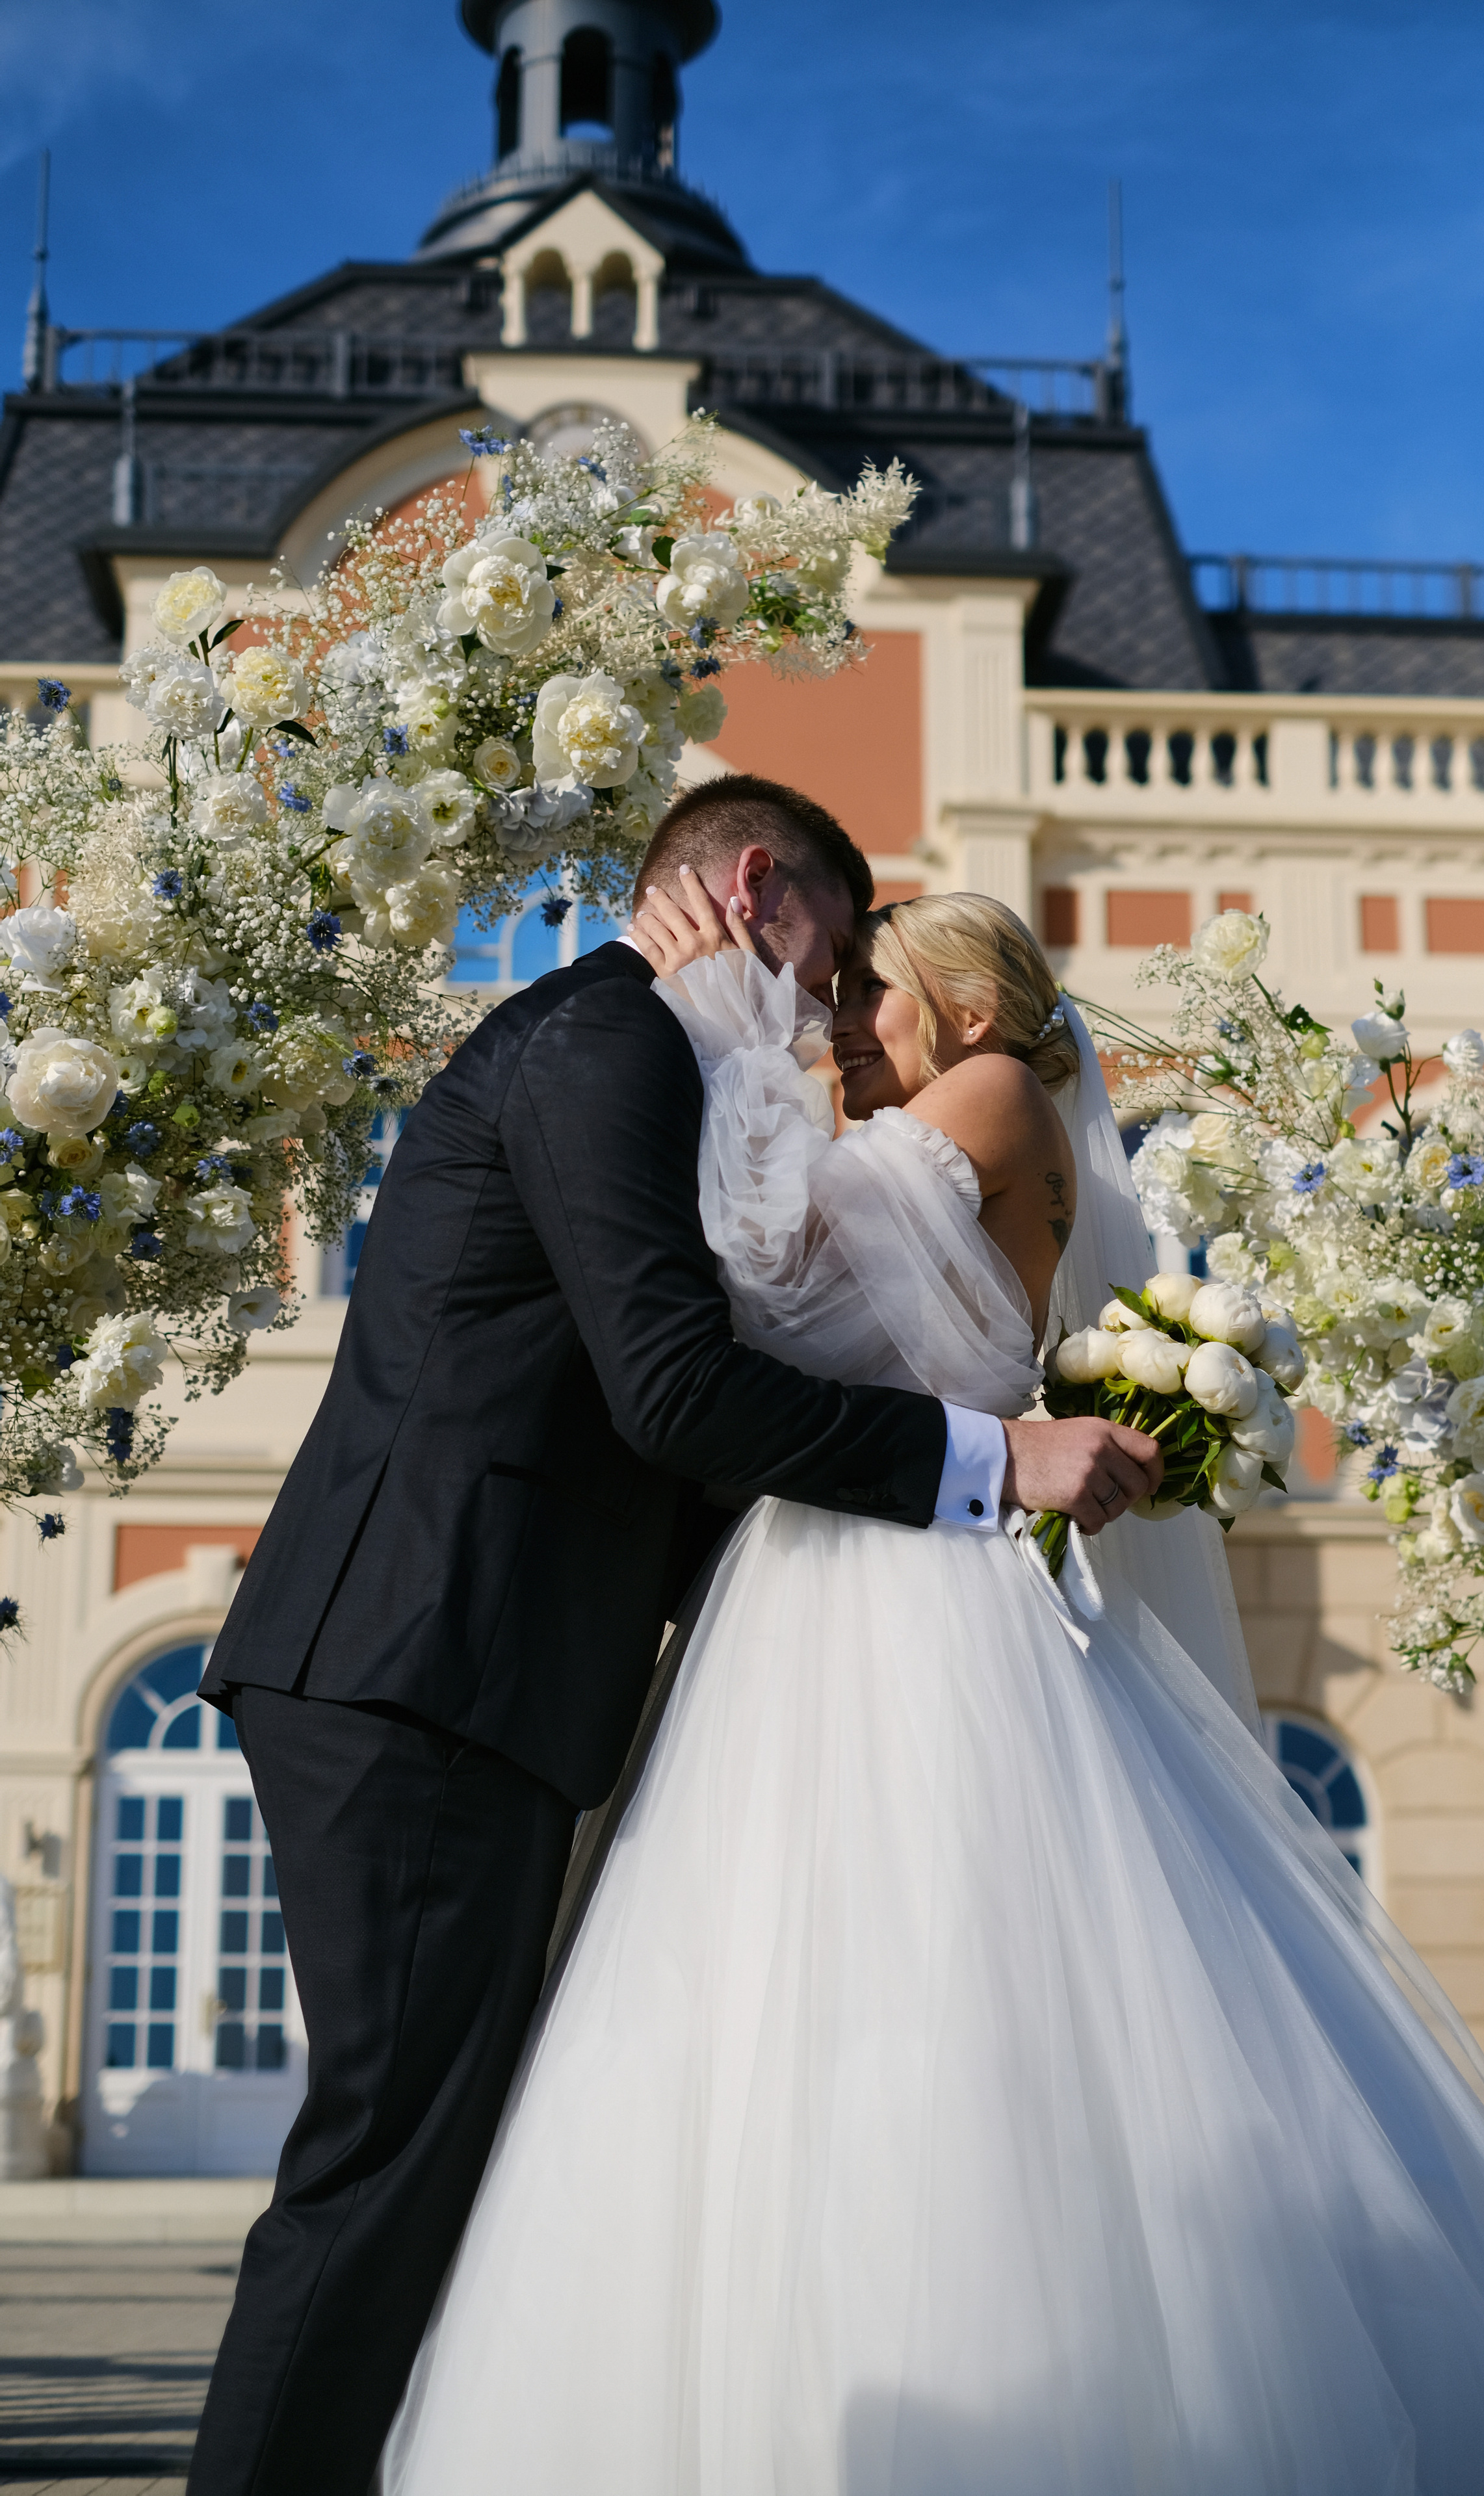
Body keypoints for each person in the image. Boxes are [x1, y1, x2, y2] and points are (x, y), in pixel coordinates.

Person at [382, 883, 1484, 2494]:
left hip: (922, 1567)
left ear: (971, 1011)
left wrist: (731, 1050)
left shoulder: (992, 1093)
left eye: (874, 993)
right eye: (839, 992)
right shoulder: (943, 1100)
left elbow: (770, 1279)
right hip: (847, 1548)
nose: (843, 1018)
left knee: (944, 1959)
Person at [185, 777, 1159, 2496]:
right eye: (830, 961)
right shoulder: (606, 1048)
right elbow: (678, 1390)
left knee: (416, 2166)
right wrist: (990, 1454)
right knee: (381, 2173)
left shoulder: (644, 1058)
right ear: (763, 891)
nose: (822, 1013)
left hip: (467, 1665)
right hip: (428, 1654)